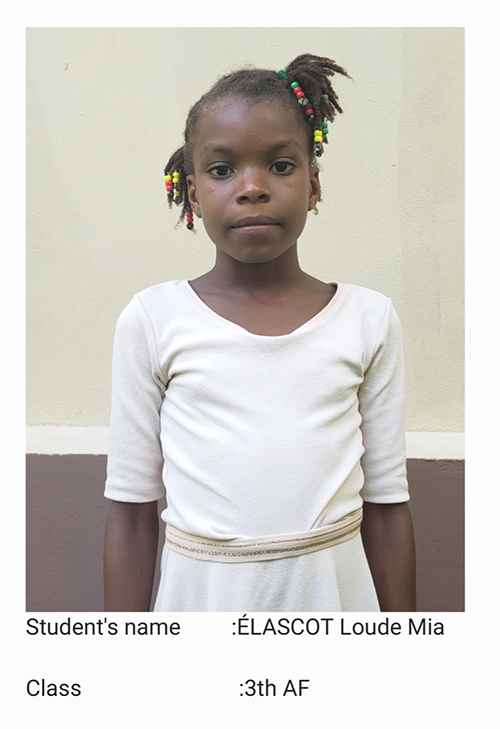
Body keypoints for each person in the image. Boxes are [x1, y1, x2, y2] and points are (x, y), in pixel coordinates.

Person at [103, 53, 416, 612]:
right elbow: (130, 515)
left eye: (280, 165)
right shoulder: (152, 320)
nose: (252, 187)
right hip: (202, 600)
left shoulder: (368, 319)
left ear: (313, 185)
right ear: (193, 195)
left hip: (334, 601)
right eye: (222, 170)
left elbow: (388, 507)